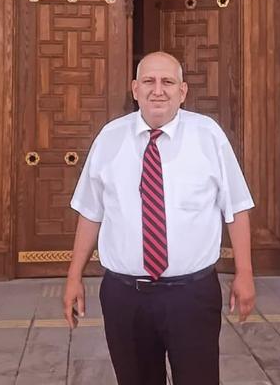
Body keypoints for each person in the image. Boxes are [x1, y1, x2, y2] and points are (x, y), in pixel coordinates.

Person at [63, 51, 255, 385]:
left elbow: (236, 207)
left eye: (167, 82)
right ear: (135, 89)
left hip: (191, 295)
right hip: (125, 296)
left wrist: (245, 273)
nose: (158, 90)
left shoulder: (208, 136)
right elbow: (91, 212)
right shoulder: (110, 138)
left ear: (182, 91)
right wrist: (73, 277)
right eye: (149, 81)